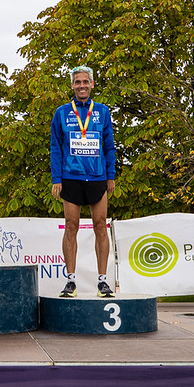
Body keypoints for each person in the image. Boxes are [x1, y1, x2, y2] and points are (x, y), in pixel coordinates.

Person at [50, 66, 116, 298]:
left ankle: (102, 281)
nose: (81, 85)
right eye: (77, 82)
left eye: (85, 81)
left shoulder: (103, 111)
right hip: (71, 176)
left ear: (92, 84)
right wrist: (56, 178)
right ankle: (70, 281)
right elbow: (55, 147)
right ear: (72, 85)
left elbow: (109, 146)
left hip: (97, 177)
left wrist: (111, 176)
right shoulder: (61, 112)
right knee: (71, 226)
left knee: (100, 225)